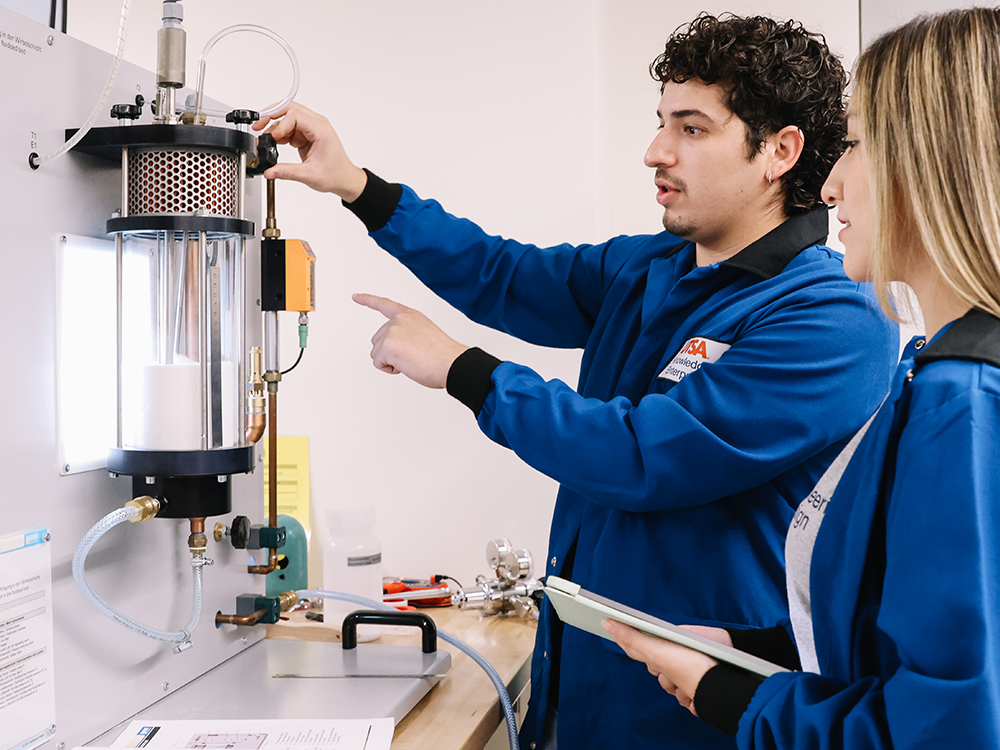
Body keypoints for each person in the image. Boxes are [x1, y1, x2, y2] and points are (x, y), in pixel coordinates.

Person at [257, 14, 898, 750]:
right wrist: (359, 187)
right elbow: (503, 272)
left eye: (691, 129)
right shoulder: (651, 265)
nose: (656, 152)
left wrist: (463, 370)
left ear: (779, 151)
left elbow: (642, 454)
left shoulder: (830, 320)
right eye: (662, 123)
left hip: (699, 712)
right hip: (582, 686)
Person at [603, 7, 1000, 748]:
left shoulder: (964, 400)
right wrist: (754, 656)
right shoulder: (935, 375)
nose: (832, 185)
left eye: (852, 146)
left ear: (933, 160)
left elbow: (946, 732)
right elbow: (896, 645)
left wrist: (742, 701)